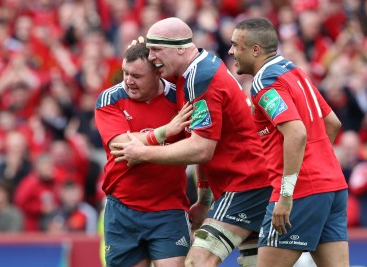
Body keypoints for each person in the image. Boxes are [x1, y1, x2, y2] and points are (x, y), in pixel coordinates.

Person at [111, 17, 272, 267]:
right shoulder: (190, 72)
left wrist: (142, 152)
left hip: (246, 184)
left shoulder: (200, 77)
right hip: (250, 181)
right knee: (256, 263)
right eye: (150, 49)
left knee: (197, 261)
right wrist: (205, 200)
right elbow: (207, 141)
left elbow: (201, 148)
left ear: (181, 49)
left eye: (156, 49)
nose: (152, 57)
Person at [229, 18, 349, 267]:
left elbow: (296, 133)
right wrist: (318, 167)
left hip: (300, 192)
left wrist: (286, 194)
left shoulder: (264, 82)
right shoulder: (294, 72)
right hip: (333, 187)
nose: (230, 52)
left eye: (235, 45)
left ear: (255, 50)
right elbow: (333, 123)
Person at [94, 42, 193, 267]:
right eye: (125, 73)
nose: (128, 81)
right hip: (123, 209)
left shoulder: (180, 97)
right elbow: (120, 145)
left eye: (136, 76)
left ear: (158, 73)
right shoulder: (110, 98)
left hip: (169, 209)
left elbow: (198, 147)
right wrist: (165, 132)